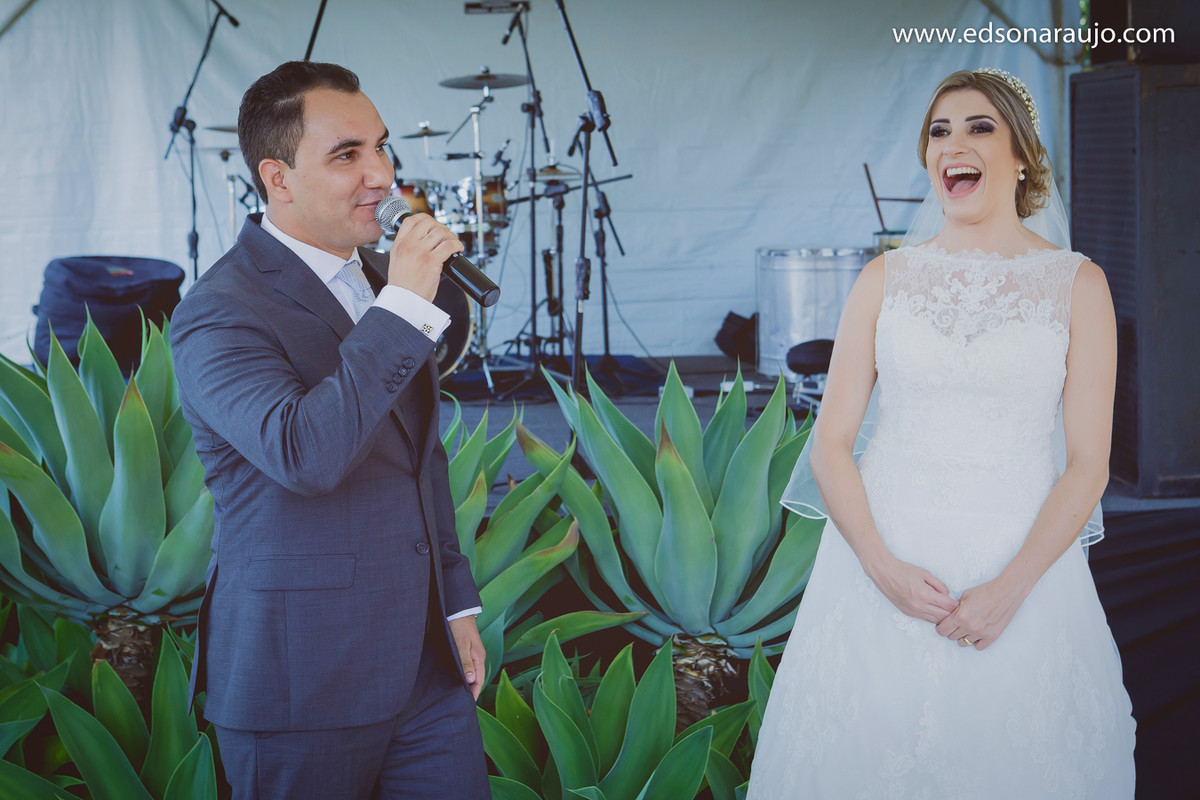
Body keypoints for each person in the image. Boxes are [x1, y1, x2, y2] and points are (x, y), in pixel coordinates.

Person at [747, 69, 1136, 798]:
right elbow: (831, 442)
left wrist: (1010, 589)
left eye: (979, 127)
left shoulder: (1079, 285)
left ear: (1022, 156)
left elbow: (1087, 464)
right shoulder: (882, 279)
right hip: (882, 563)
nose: (954, 144)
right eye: (939, 131)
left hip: (1023, 568)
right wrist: (881, 565)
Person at [170, 61, 491, 800]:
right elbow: (304, 456)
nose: (380, 174)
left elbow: (420, 459)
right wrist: (405, 307)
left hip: (426, 670)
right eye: (348, 155)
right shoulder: (220, 311)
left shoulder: (384, 284)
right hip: (300, 680)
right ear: (277, 177)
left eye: (380, 147)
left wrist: (455, 601)